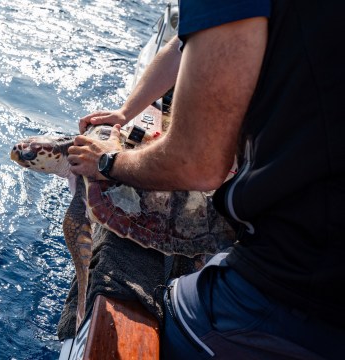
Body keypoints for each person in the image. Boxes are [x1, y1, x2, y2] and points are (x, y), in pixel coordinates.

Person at [67, 0, 345, 358]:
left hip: (299, 286)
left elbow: (196, 163)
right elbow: (187, 41)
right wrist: (124, 113)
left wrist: (106, 163)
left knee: (160, 313)